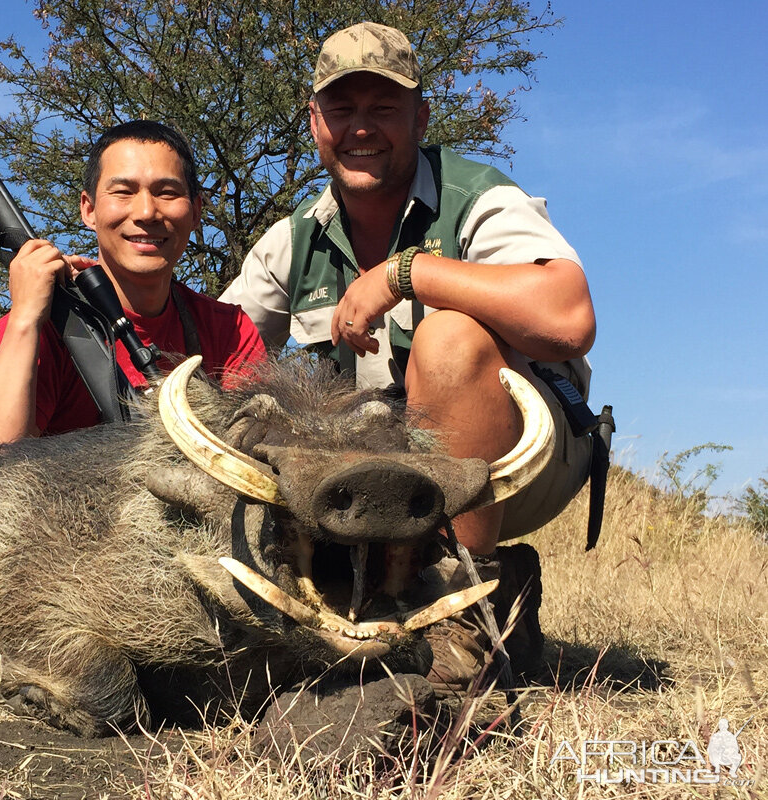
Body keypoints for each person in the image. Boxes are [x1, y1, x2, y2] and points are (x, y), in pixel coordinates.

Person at [220, 22, 597, 684]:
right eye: (341, 108)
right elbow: (220, 360)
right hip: (384, 485)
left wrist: (407, 275)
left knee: (448, 339)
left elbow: (567, 318)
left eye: (383, 108)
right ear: (313, 122)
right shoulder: (291, 240)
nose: (360, 127)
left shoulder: (476, 196)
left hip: (523, 468)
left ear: (420, 118)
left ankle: (466, 617)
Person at [0, 120, 266, 458]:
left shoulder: (231, 329)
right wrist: (25, 319)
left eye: (167, 192)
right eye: (123, 192)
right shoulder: (41, 325)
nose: (147, 212)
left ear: (196, 212)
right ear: (89, 210)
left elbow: (257, 450)